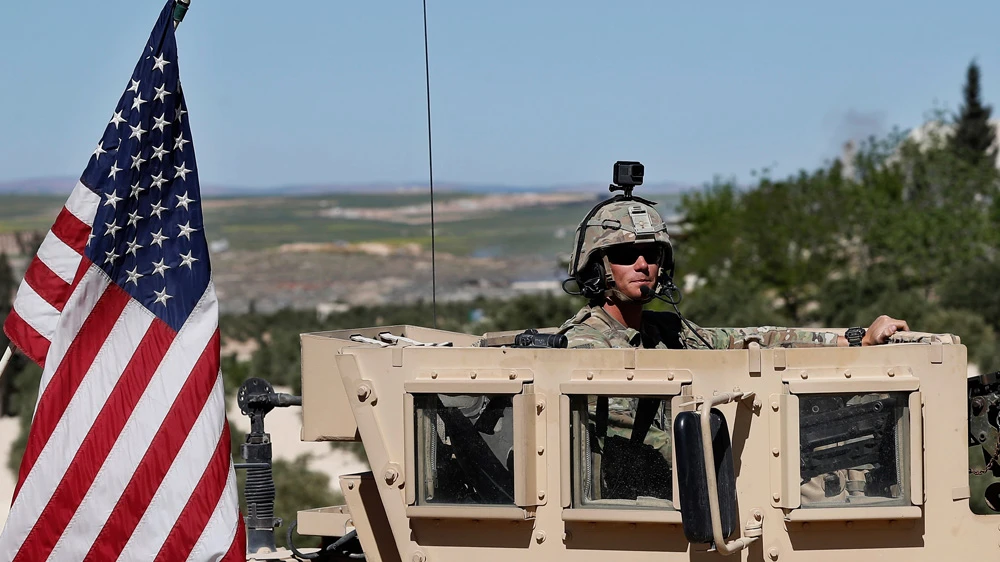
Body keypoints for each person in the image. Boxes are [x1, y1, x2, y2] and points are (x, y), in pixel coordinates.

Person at [556, 195, 909, 350]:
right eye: (624, 255)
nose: (642, 264)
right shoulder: (585, 343)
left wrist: (857, 340)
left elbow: (754, 340)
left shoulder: (666, 331)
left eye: (652, 254)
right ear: (596, 267)